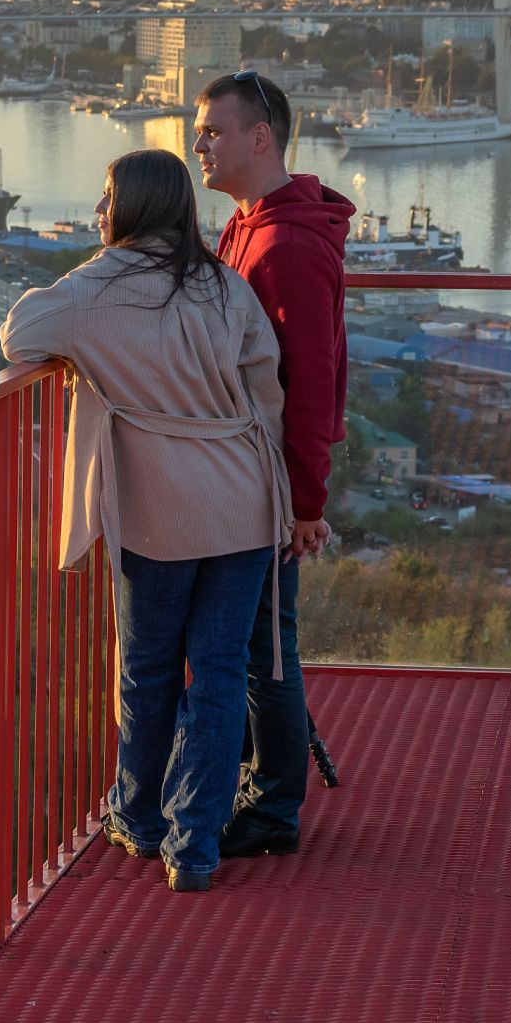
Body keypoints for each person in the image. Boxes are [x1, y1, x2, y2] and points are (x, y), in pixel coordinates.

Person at [0, 147, 291, 892]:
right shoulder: (223, 285)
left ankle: (137, 815)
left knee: (149, 667)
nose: (98, 213)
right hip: (244, 497)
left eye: (105, 199)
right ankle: (195, 845)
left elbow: (19, 336)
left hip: (161, 505)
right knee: (221, 670)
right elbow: (266, 382)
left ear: (130, 207)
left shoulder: (95, 288)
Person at [192, 70, 351, 857]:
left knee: (266, 645)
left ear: (260, 139)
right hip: (248, 469)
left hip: (268, 479)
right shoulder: (248, 223)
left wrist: (305, 502)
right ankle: (264, 783)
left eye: (214, 131)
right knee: (259, 637)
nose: (198, 144)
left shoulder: (285, 245)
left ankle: (275, 805)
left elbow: (312, 382)